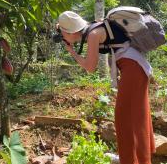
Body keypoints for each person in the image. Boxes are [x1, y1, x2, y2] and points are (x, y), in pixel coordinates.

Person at [57, 11, 156, 164]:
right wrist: (72, 50)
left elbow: (90, 67)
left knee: (125, 118)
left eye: (62, 32)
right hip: (134, 67)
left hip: (133, 68)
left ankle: (133, 160)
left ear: (70, 31)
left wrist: (73, 53)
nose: (62, 36)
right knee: (136, 114)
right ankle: (137, 158)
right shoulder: (94, 28)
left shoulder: (93, 34)